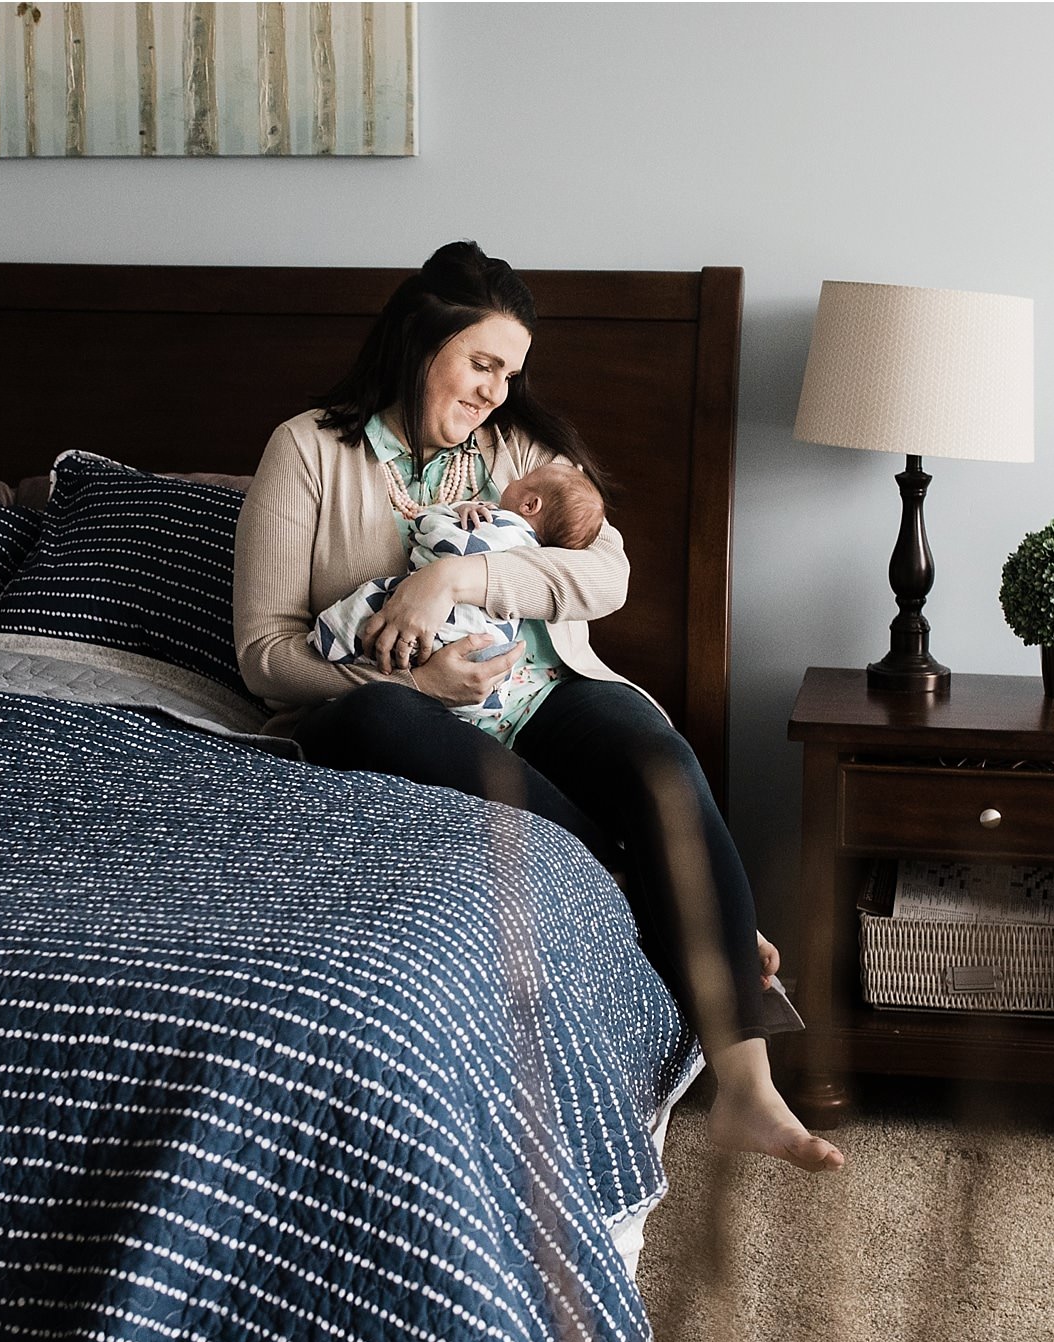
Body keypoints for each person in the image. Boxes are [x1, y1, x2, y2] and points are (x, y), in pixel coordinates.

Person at [233, 240, 843, 1173]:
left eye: (509, 372)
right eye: (482, 363)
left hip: (537, 690)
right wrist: (411, 682)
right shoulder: (308, 449)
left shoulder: (515, 450)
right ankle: (650, 892)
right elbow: (264, 653)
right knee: (382, 722)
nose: (494, 391)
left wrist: (462, 574)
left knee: (661, 764)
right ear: (416, 341)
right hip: (391, 710)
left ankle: (749, 1083)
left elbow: (606, 572)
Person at [311, 463, 608, 736]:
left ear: (530, 504)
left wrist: (450, 526)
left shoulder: (496, 524)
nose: (512, 478)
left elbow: (434, 532)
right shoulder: (537, 550)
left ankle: (330, 641)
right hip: (486, 673)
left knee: (371, 612)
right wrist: (424, 683)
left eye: (521, 480)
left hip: (528, 680)